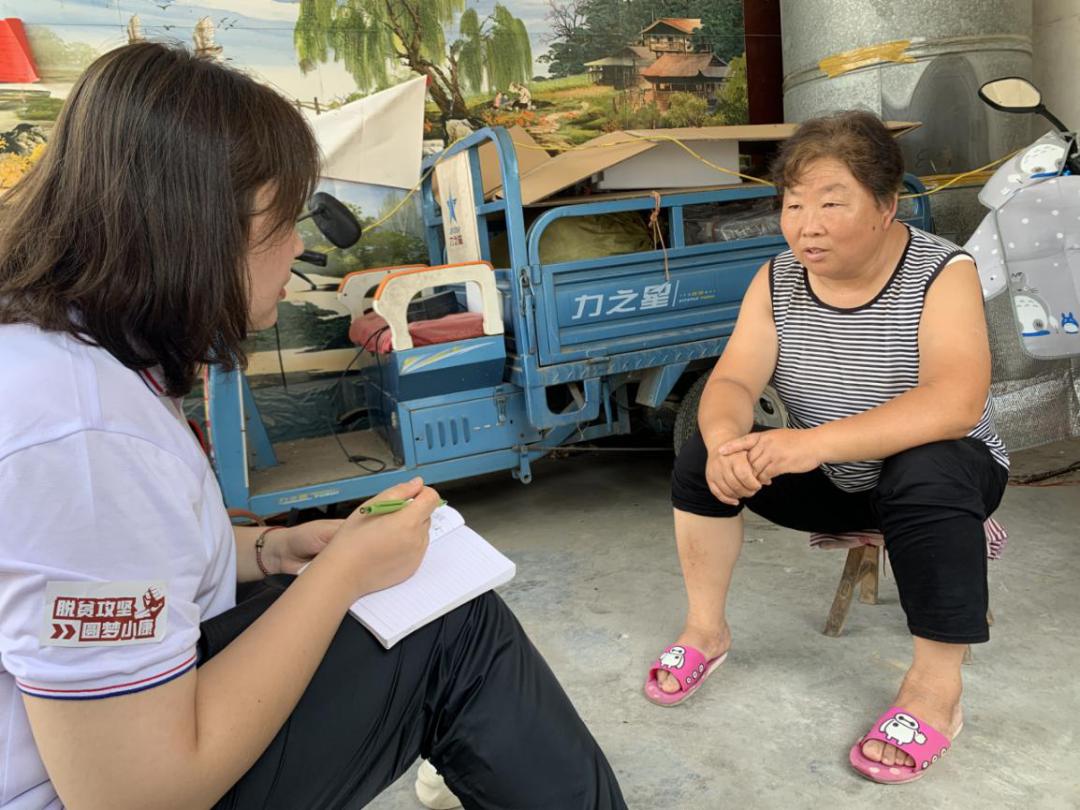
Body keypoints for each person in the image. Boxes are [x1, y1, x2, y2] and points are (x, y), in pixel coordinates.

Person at [0, 42, 626, 810]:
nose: (299, 247)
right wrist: (342, 574)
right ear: (196, 227)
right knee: (456, 632)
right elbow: (138, 796)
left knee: (433, 614)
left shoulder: (67, 358)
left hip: (104, 725)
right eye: (284, 219)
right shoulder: (87, 438)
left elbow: (119, 560)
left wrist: (271, 550)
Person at [643, 111, 1009, 785]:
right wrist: (727, 441)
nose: (806, 225)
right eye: (793, 204)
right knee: (701, 454)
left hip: (941, 471)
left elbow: (955, 403)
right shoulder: (777, 280)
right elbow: (732, 379)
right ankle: (705, 632)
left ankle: (935, 689)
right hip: (833, 478)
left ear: (887, 204)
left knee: (929, 471)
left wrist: (810, 443)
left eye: (832, 203)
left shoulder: (942, 271)